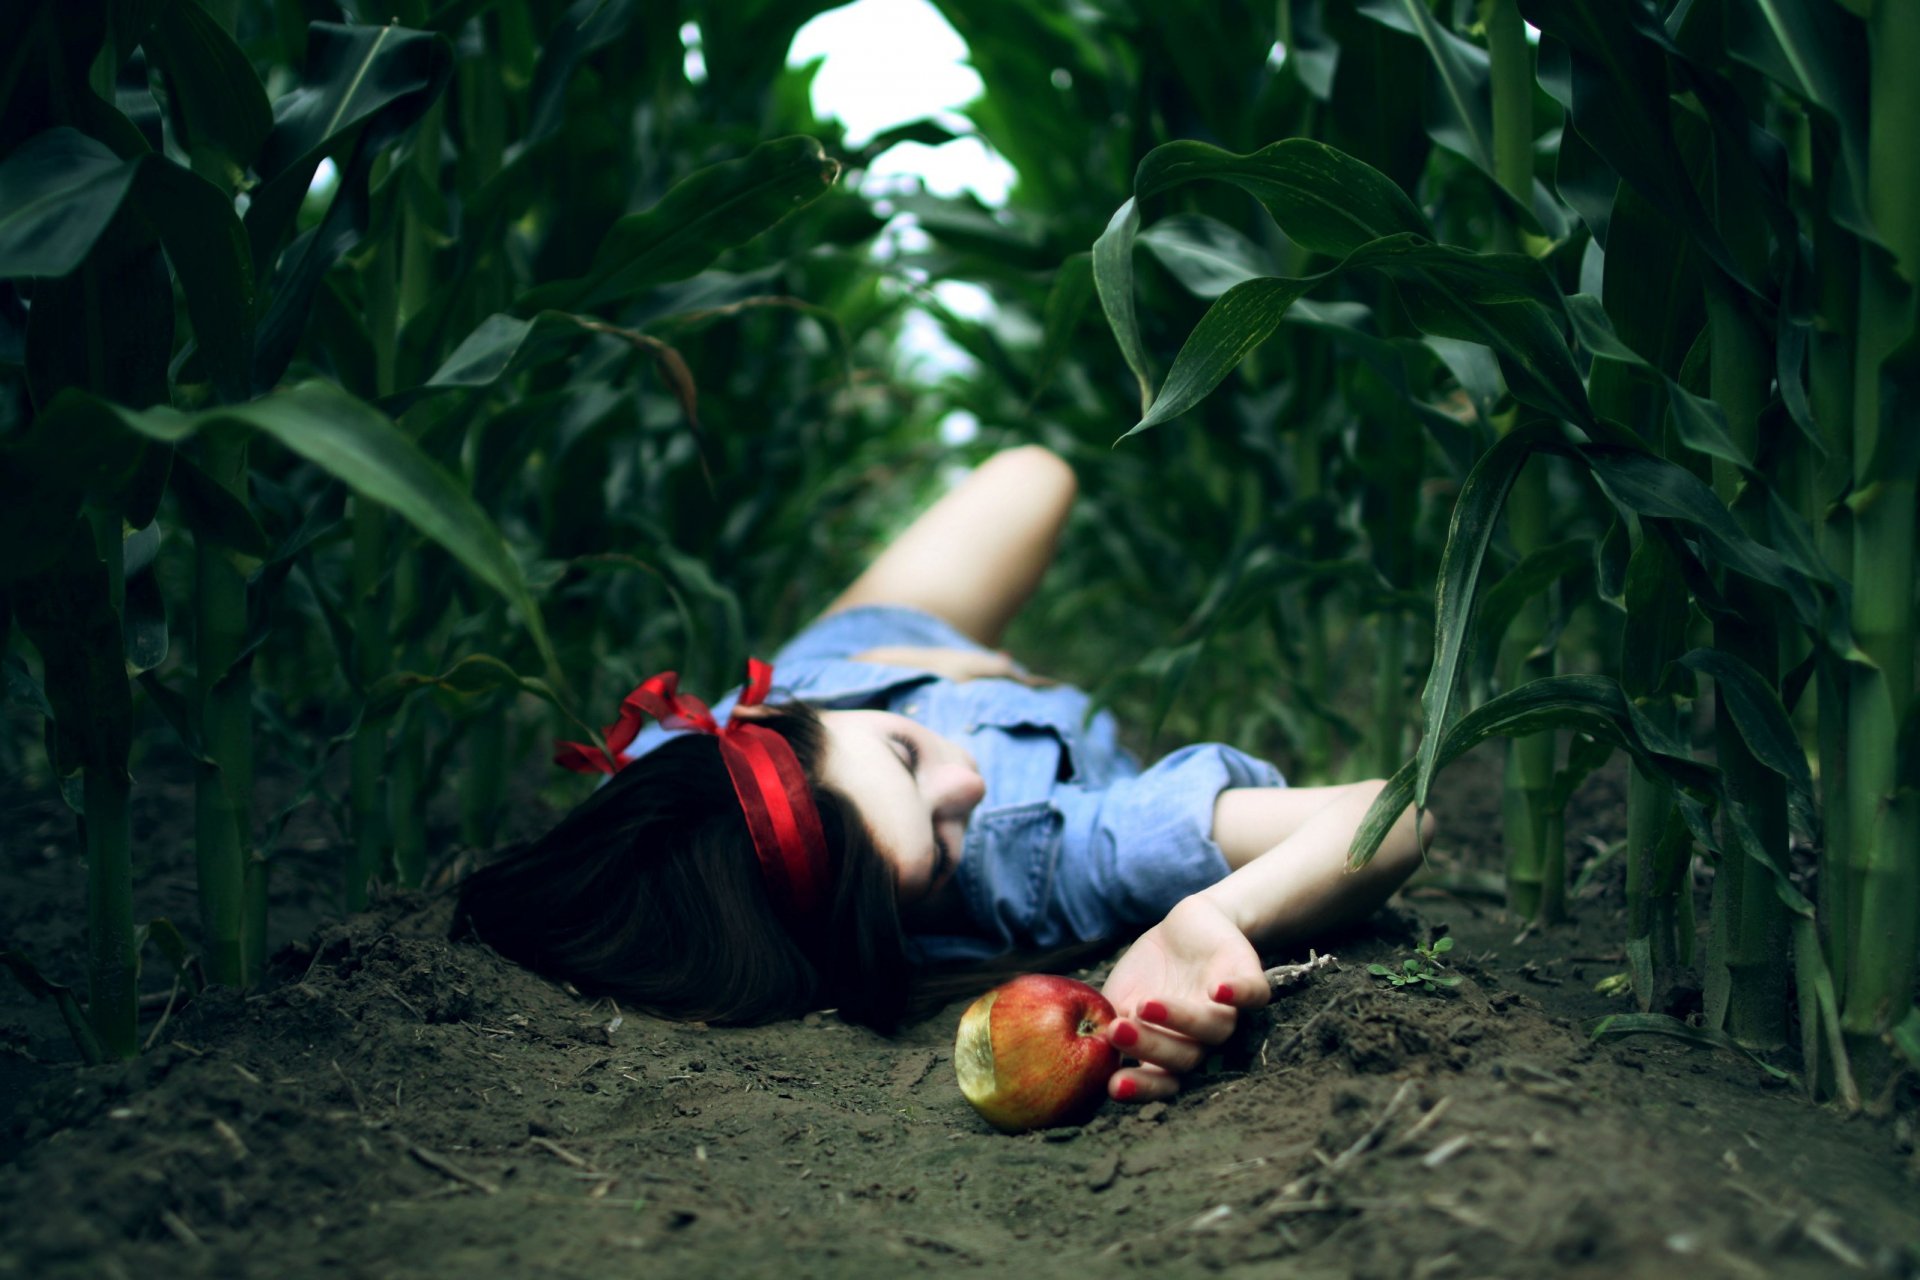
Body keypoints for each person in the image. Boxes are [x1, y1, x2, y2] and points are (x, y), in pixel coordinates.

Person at [454, 445, 1430, 1105]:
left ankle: (880, 697)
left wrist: (887, 679)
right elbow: (1393, 814)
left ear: (765, 722)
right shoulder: (1046, 860)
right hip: (864, 707)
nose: (963, 786)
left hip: (846, 661)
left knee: (1035, 473)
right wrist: (1214, 912)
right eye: (939, 845)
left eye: (904, 753)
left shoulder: (660, 819)